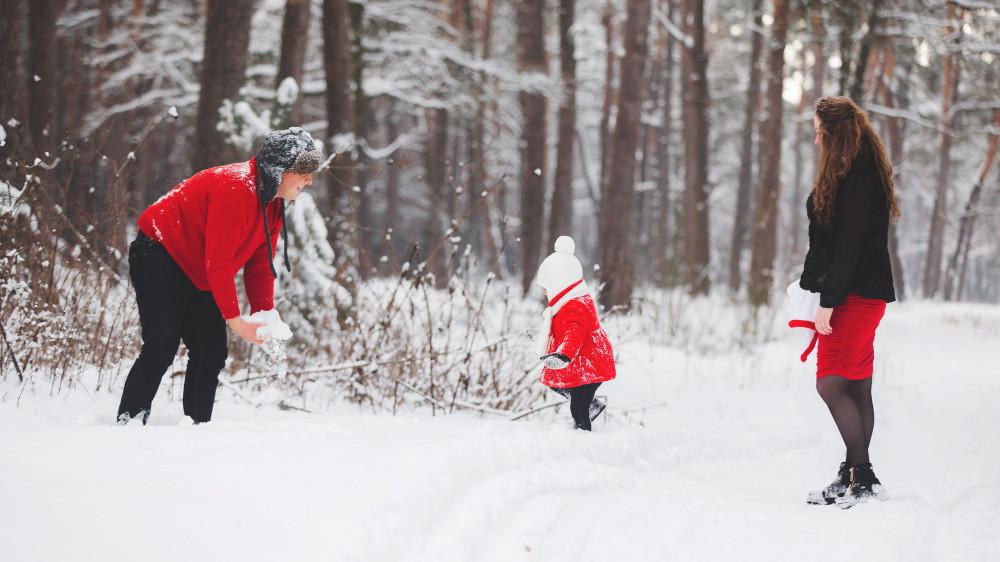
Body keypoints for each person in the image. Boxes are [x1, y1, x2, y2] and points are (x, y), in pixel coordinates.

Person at [117, 127, 322, 425]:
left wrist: (263, 314)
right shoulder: (236, 187)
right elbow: (219, 260)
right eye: (302, 172)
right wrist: (236, 320)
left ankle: (197, 428)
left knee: (211, 352)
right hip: (160, 252)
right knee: (161, 345)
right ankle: (128, 423)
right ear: (278, 170)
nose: (309, 180)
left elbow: (260, 264)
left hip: (200, 268)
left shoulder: (272, 203)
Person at [800, 97, 899, 507]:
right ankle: (852, 474)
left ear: (836, 133)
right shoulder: (857, 170)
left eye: (821, 129)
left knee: (830, 383)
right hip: (859, 292)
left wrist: (829, 300)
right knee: (856, 386)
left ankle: (864, 477)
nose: (817, 137)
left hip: (854, 296)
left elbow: (850, 246)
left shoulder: (858, 177)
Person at [535, 236, 616, 431]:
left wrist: (564, 354)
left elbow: (574, 333)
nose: (546, 293)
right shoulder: (568, 303)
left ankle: (583, 436)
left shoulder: (575, 306)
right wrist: (540, 336)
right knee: (555, 381)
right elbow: (561, 329)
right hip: (583, 360)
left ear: (560, 284)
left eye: (547, 287)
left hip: (591, 364)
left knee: (578, 408)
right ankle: (592, 405)